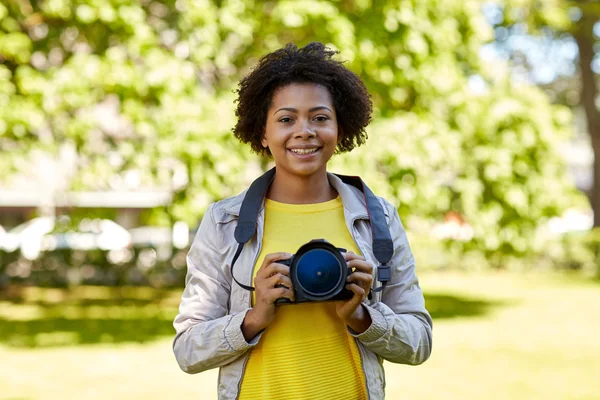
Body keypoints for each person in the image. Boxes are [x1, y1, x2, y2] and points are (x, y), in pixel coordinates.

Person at [173, 42, 432, 400]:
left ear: (340, 128)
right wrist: (254, 316)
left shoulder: (378, 219)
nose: (305, 131)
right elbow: (187, 349)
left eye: (320, 117)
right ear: (263, 132)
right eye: (286, 119)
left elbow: (419, 341)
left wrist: (362, 316)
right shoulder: (225, 222)